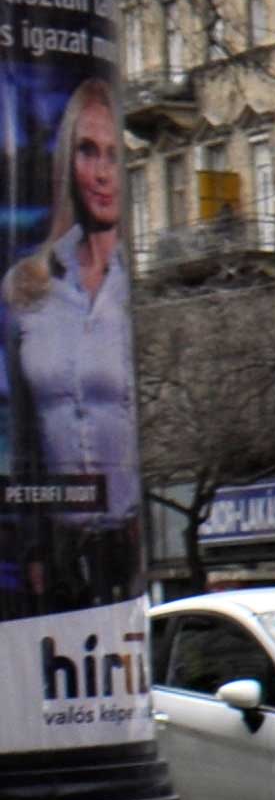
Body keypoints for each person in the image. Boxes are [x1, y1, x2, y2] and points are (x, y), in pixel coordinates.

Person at [8, 76, 144, 606]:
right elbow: (20, 434)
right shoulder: (27, 285)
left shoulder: (131, 289)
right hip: (55, 547)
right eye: (88, 152)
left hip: (122, 542)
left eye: (113, 154)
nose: (103, 173)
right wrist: (34, 547)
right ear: (68, 162)